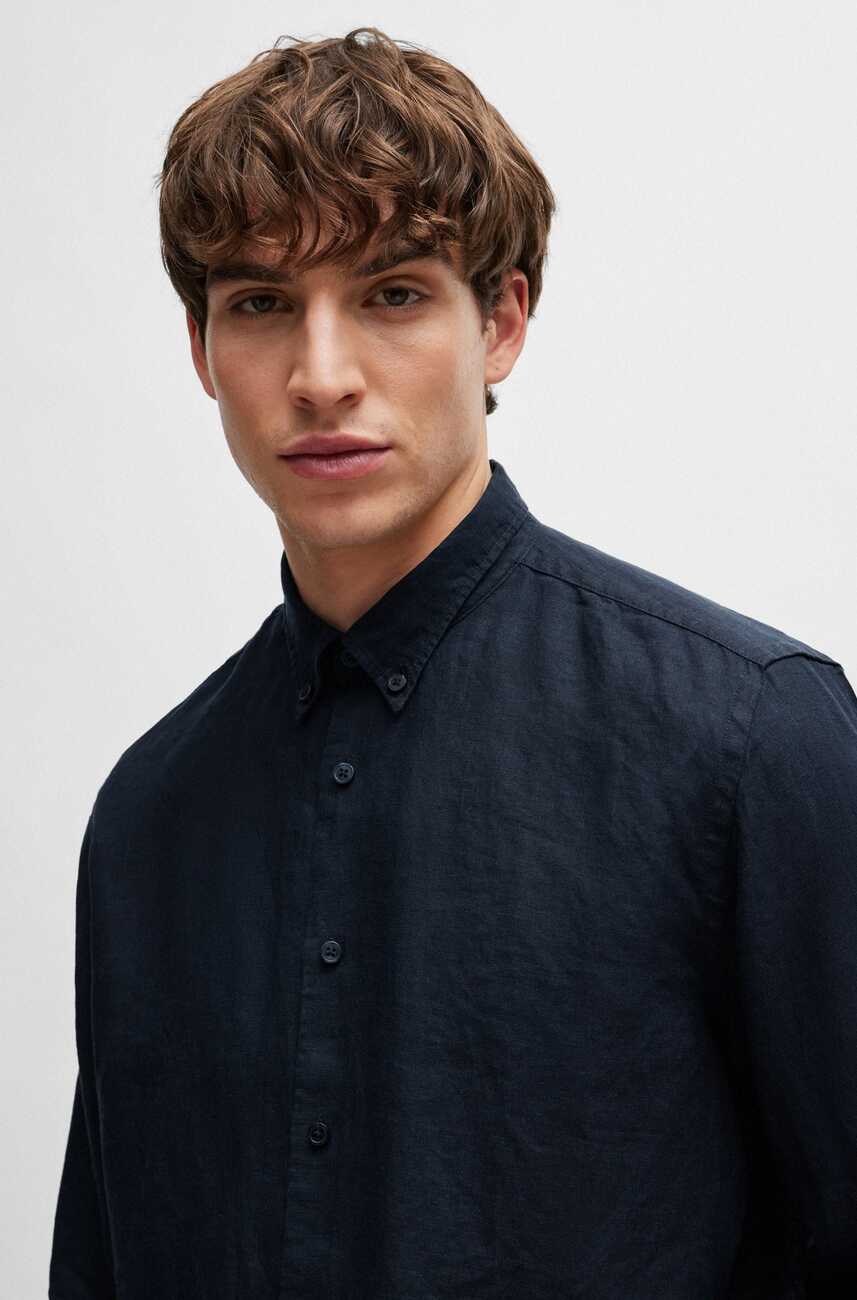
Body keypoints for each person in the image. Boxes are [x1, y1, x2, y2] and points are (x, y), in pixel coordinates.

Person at [48, 26, 857, 1300]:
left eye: (391, 294)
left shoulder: (750, 738)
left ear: (501, 323)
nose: (321, 377)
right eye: (260, 303)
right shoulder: (150, 816)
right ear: (201, 351)